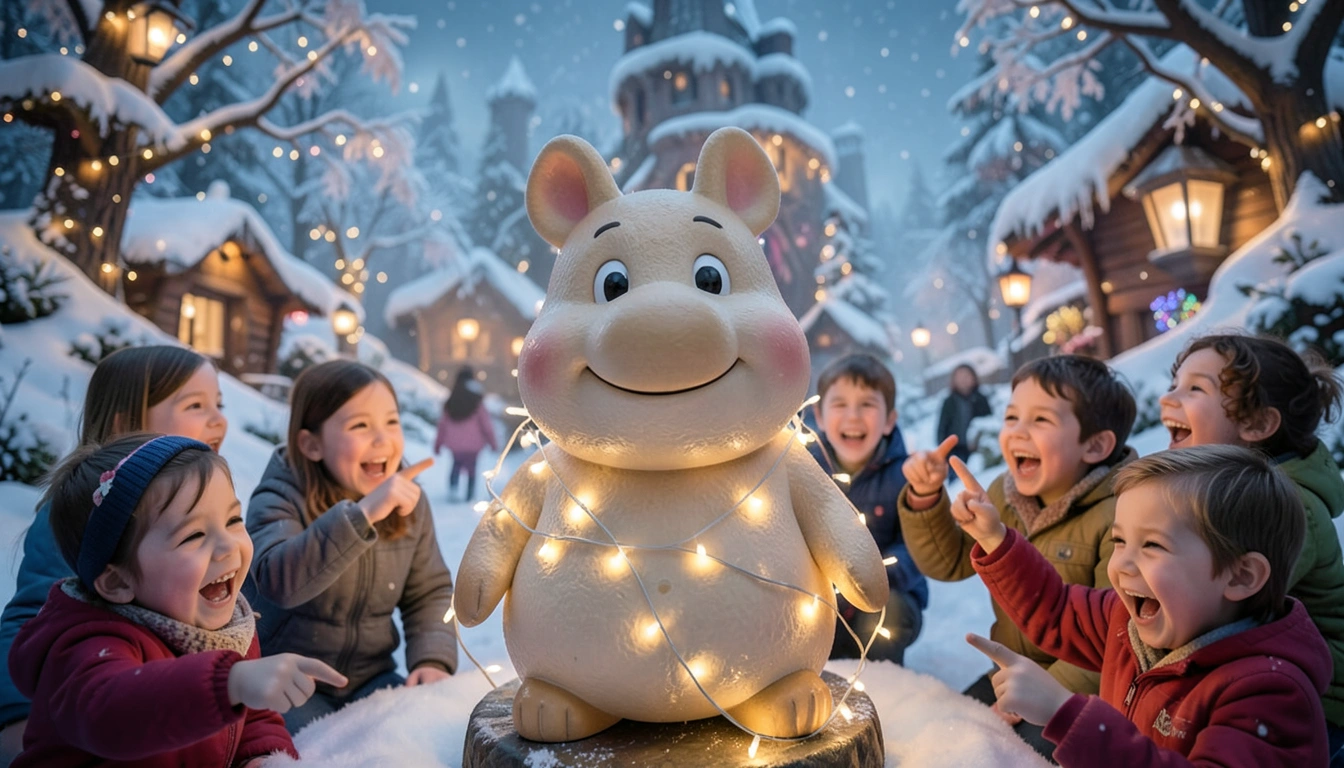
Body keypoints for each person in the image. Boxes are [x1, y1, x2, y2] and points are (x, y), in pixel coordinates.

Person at [956, 446, 1330, 766]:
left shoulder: (1269, 694)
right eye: (1120, 541)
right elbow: (1057, 612)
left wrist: (1064, 713)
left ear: (1241, 576)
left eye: (1152, 545)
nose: (1121, 565)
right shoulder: (1127, 623)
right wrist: (994, 539)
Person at [10, 433, 346, 767]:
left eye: (232, 520)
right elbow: (111, 713)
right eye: (194, 535)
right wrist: (231, 682)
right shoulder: (86, 646)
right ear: (117, 581)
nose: (228, 546)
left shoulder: (228, 629)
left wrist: (260, 758)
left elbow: (253, 720)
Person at [898, 354, 1137, 756]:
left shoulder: (1123, 514)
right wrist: (925, 498)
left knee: (999, 755)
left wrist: (1044, 694)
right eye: (1012, 418)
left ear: (1095, 445)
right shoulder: (1004, 495)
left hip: (1084, 694)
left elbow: (1119, 640)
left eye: (1041, 420)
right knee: (937, 733)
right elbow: (949, 561)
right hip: (1011, 671)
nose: (1018, 433)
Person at [0, 346, 228, 766]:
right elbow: (29, 620)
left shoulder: (203, 506)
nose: (218, 419)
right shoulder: (83, 516)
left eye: (219, 403)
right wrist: (17, 723)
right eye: (196, 405)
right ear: (126, 424)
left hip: (169, 720)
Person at [244, 359, 458, 733]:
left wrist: (432, 660)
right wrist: (362, 515)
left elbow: (428, 592)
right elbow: (278, 581)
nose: (382, 439)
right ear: (311, 444)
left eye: (392, 421)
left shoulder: (409, 501)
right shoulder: (279, 496)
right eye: (360, 425)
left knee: (429, 736)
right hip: (290, 682)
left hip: (369, 678)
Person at [1161, 332, 1344, 763]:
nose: (1170, 398)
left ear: (1258, 425)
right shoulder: (1214, 487)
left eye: (1195, 388)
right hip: (1255, 675)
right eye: (1175, 383)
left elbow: (1210, 607)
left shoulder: (1290, 508)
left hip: (1321, 701)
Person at [808, 353, 927, 664]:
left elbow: (916, 545)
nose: (853, 416)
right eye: (840, 404)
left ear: (889, 420)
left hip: (886, 597)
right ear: (819, 417)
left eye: (867, 404)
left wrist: (877, 578)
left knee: (889, 614)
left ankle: (882, 681)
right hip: (820, 599)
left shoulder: (907, 475)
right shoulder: (804, 471)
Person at [434, 367, 498, 502]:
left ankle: (453, 489)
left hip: (455, 444)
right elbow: (486, 424)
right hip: (473, 444)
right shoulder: (476, 401)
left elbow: (442, 425)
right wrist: (492, 442)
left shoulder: (451, 401)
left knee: (456, 465)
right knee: (472, 469)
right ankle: (469, 495)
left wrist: (438, 444)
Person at [937, 364, 992, 464]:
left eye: (966, 376)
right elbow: (942, 429)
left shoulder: (981, 399)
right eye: (960, 377)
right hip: (956, 452)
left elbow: (989, 424)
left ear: (974, 377)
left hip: (979, 452)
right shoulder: (949, 402)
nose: (963, 380)